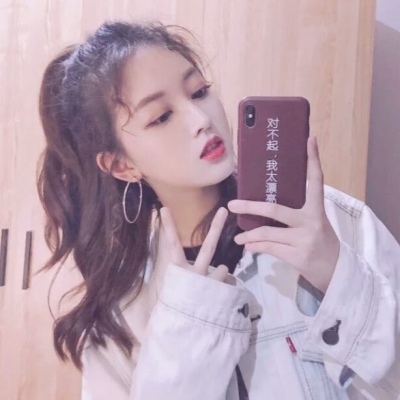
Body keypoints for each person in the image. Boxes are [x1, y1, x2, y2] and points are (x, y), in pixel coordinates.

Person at [37, 21, 400, 400]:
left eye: (199, 92)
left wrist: (336, 274)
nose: (202, 119)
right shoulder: (122, 318)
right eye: (161, 116)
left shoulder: (333, 220)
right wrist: (188, 324)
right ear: (121, 165)